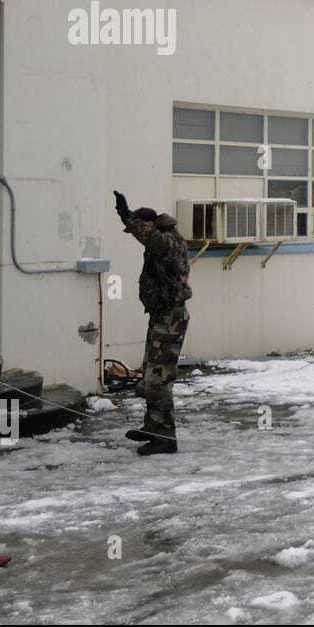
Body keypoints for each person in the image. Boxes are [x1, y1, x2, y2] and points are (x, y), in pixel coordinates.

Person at [114, 191, 192, 455]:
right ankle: (153, 427)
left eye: (139, 227)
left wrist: (127, 216)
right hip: (161, 316)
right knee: (150, 376)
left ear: (149, 225)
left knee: (159, 380)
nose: (138, 234)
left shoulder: (169, 241)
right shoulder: (157, 237)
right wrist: (127, 217)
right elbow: (145, 237)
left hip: (171, 319)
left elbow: (151, 240)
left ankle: (166, 437)